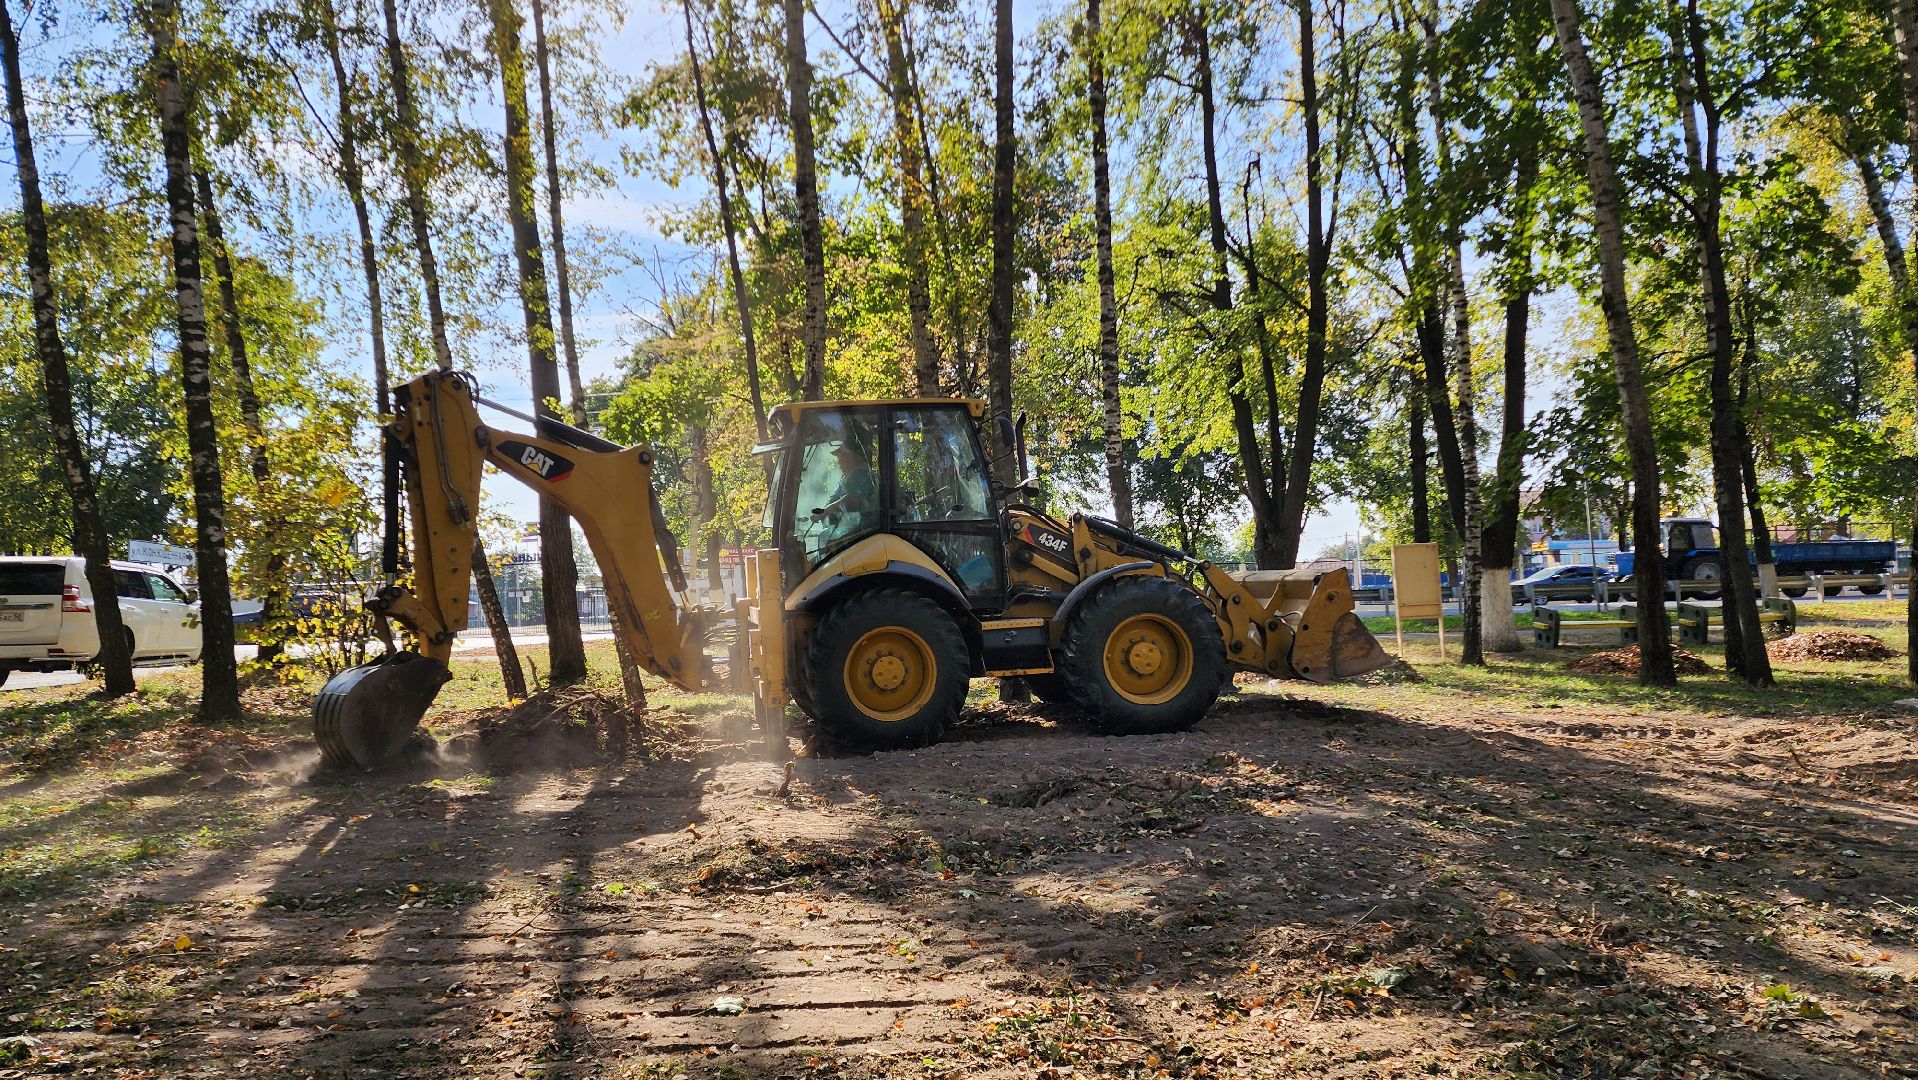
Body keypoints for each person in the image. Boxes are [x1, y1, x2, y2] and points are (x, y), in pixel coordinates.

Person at [815, 441, 877, 539]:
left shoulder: (861, 473)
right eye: (839, 457)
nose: (839, 461)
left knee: (824, 537)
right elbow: (834, 499)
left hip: (862, 534)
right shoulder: (847, 477)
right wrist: (822, 511)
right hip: (853, 531)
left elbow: (851, 500)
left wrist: (826, 511)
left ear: (857, 457)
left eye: (843, 456)